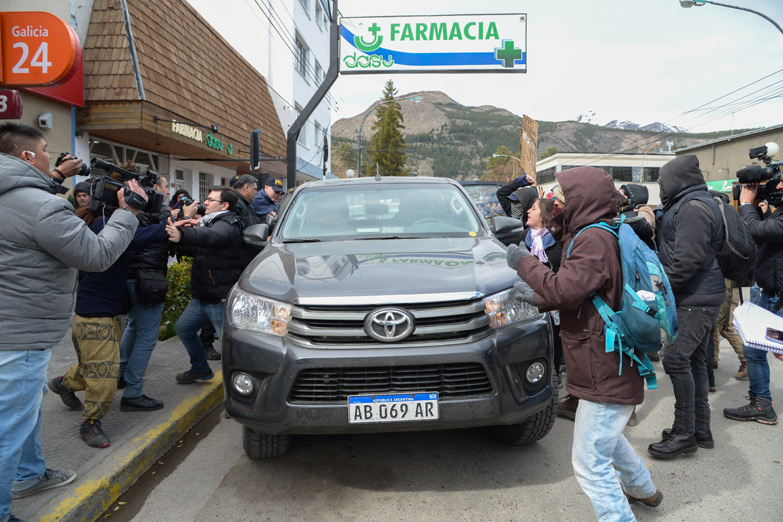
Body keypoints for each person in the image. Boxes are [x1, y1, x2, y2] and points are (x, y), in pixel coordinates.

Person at [0, 122, 142, 522]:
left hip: (9, 323)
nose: (52, 157)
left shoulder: (19, 197)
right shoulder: (42, 205)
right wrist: (127, 214)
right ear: (28, 156)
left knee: (24, 413)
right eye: (46, 149)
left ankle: (29, 475)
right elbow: (95, 256)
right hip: (21, 331)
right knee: (9, 427)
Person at [506, 166, 661, 521]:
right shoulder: (596, 232)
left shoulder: (592, 238)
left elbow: (566, 289)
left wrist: (525, 263)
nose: (555, 202)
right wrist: (536, 297)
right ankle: (643, 489)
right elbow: (584, 293)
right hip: (605, 360)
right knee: (606, 434)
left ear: (584, 199)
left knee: (590, 461)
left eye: (563, 195)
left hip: (603, 364)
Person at [50, 177, 165, 448]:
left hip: (105, 310)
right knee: (105, 375)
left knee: (95, 366)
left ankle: (63, 383)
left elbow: (138, 238)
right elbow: (141, 237)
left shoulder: (106, 222)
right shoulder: (104, 224)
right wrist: (170, 225)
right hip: (94, 313)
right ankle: (91, 424)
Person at [649, 155, 724, 458]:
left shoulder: (693, 207)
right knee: (695, 362)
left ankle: (684, 434)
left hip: (697, 298)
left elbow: (688, 261)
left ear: (676, 180)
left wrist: (662, 291)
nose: (661, 188)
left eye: (662, 182)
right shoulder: (690, 203)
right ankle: (700, 428)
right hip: (701, 295)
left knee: (675, 360)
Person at [167, 187, 244, 383]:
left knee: (230, 349)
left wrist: (184, 235)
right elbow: (195, 249)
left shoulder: (229, 223)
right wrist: (182, 232)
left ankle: (242, 386)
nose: (205, 203)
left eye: (211, 200)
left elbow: (212, 237)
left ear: (224, 205)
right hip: (203, 296)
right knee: (184, 329)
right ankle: (200, 368)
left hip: (219, 300)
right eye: (206, 199)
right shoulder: (208, 222)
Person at [723, 179, 783, 425]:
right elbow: (760, 238)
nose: (778, 186)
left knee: (763, 351)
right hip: (772, 290)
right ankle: (762, 403)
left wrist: (746, 204)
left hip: (778, 294)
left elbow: (758, 231)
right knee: (754, 349)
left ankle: (762, 403)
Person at [119, 174, 173, 411]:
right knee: (146, 337)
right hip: (148, 281)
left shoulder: (127, 209)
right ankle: (132, 392)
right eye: (165, 187)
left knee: (132, 326)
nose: (168, 192)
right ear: (154, 189)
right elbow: (167, 229)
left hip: (130, 278)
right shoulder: (154, 210)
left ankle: (120, 373)